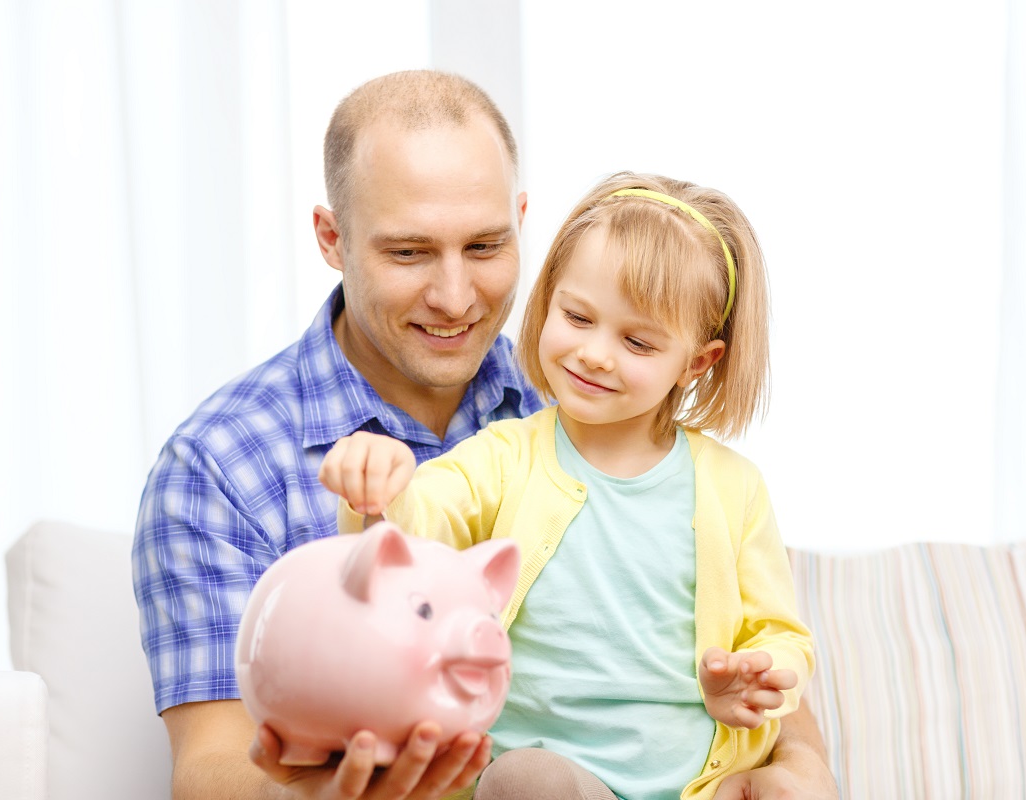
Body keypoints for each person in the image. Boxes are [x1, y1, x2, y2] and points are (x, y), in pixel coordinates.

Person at [132, 70, 838, 800]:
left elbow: (744, 653)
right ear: (331, 238)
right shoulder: (217, 464)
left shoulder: (589, 400)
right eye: (407, 252)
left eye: (483, 246)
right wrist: (321, 794)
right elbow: (211, 767)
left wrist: (800, 770)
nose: (454, 296)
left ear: (523, 221)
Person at [319, 171, 814, 799]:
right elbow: (415, 530)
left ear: (696, 362)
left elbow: (780, 633)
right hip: (543, 783)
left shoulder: (733, 488)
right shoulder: (504, 456)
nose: (595, 354)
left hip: (695, 787)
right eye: (577, 316)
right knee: (528, 779)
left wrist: (761, 675)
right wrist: (376, 486)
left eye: (636, 340)